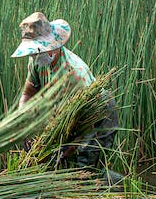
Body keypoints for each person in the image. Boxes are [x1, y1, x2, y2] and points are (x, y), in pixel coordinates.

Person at [11, 12, 118, 172]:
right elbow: (28, 93)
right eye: (31, 52)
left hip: (98, 112)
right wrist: (23, 122)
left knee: (84, 166)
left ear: (52, 48)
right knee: (59, 161)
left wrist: (67, 149)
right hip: (69, 112)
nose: (33, 56)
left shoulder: (73, 73)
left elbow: (83, 121)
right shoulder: (37, 60)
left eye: (36, 51)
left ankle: (114, 187)